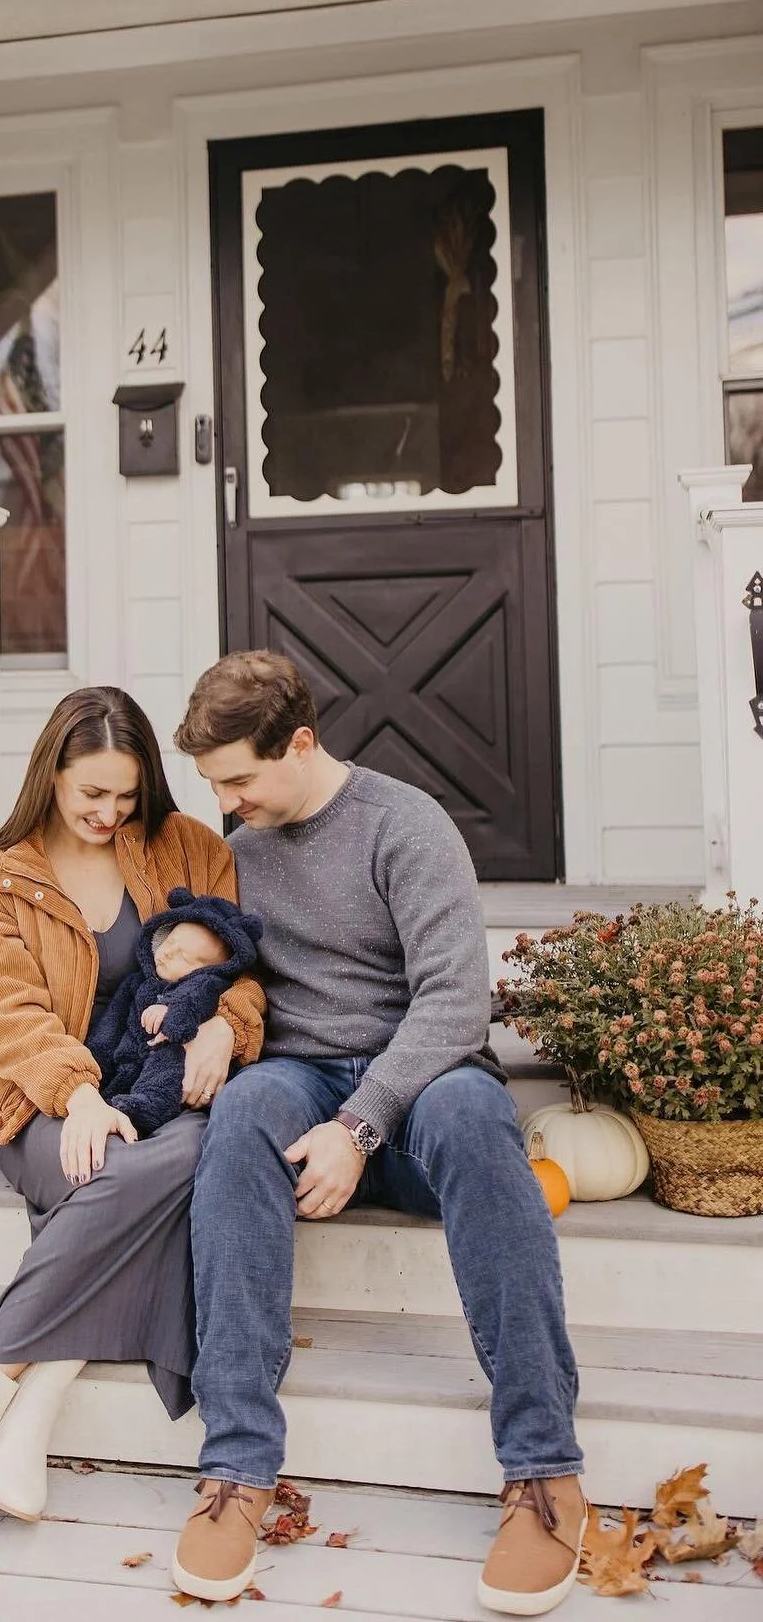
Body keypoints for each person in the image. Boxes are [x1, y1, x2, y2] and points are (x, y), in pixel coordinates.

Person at [169, 651, 587, 1616]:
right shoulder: (245, 846)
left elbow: (453, 1004)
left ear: (302, 742)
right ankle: (235, 1468)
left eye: (239, 778)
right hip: (298, 1074)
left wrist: (360, 1126)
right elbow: (229, 969)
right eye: (214, 783)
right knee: (239, 1120)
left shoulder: (405, 825)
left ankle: (543, 1471)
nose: (227, 802)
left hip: (423, 1082)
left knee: (481, 1126)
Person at [0, 686, 265, 1535]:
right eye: (91, 792)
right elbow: (3, 1009)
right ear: (50, 774)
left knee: (185, 1151)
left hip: (163, 1093)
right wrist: (80, 1093)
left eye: (126, 794)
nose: (109, 812)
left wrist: (226, 1033)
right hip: (39, 1100)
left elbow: (242, 965)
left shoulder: (189, 847)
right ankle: (10, 1401)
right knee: (134, 1169)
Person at [86, 888, 262, 1136]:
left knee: (168, 1059)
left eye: (184, 957)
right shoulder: (137, 982)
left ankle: (150, 1105)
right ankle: (108, 1093)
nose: (167, 954)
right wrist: (94, 1057)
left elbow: (196, 1001)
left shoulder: (203, 985)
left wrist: (171, 1017)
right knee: (107, 1050)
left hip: (173, 1055)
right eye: (170, 942)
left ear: (203, 970)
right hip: (130, 1055)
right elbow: (113, 1020)